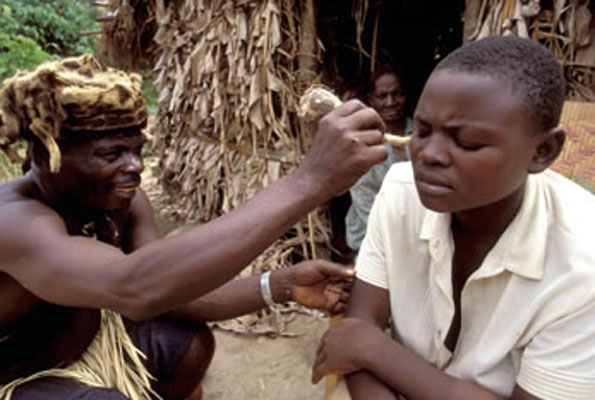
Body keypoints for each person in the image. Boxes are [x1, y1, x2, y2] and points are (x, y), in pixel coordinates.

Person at [0, 54, 388, 400]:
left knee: (188, 345)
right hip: (15, 377)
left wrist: (283, 285)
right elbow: (136, 287)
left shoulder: (120, 201)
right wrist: (311, 180)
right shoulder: (16, 222)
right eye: (111, 154)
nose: (135, 166)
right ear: (42, 155)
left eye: (137, 149)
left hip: (80, 347)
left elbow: (169, 291)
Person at [312, 36, 595, 400]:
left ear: (543, 151)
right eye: (424, 131)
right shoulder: (400, 194)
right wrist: (363, 345)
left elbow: (358, 341)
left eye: (468, 143)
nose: (429, 155)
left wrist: (375, 349)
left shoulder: (582, 264)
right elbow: (356, 331)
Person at [344, 65, 413, 254]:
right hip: (371, 239)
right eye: (382, 96)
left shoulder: (422, 135)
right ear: (371, 100)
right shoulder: (362, 143)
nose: (391, 102)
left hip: (419, 236)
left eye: (397, 94)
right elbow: (365, 203)